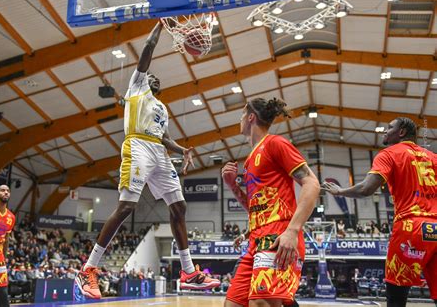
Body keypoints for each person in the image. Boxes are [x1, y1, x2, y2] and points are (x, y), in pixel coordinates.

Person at [75, 22, 219, 299]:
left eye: (155, 78)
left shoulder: (161, 106)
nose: (152, 77)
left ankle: (188, 272)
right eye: (149, 75)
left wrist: (182, 150)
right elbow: (148, 49)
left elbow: (164, 137)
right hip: (138, 146)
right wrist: (161, 26)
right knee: (127, 206)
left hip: (159, 151)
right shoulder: (136, 88)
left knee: (179, 207)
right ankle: (89, 268)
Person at [322, 117, 437, 307]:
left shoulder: (389, 154)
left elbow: (366, 189)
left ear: (401, 133)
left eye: (389, 127)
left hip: (411, 227)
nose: (385, 130)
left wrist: (340, 191)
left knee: (396, 297)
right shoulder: (433, 157)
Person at [222, 98, 320, 307]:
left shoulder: (275, 143)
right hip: (256, 240)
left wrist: (292, 231)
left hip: (278, 236)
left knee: (262, 303)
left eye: (242, 114)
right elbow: (255, 207)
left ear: (250, 117)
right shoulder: (250, 160)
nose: (240, 119)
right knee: (232, 304)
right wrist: (233, 186)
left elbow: (312, 183)